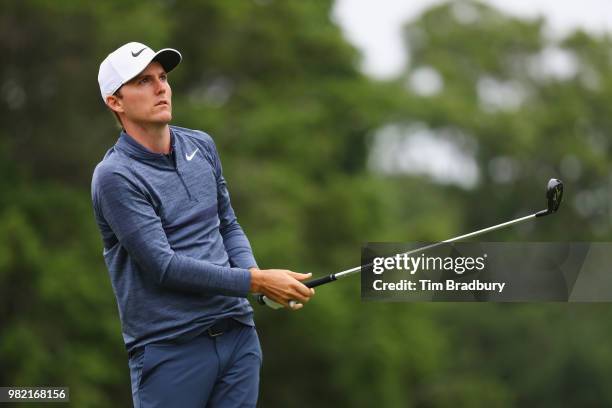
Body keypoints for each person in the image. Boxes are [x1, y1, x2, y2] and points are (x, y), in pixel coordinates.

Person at [91, 42, 315, 408]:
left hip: (238, 337)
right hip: (171, 350)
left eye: (162, 78)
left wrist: (254, 275)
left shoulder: (202, 145)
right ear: (115, 102)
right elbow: (163, 266)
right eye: (144, 81)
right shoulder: (115, 176)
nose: (161, 88)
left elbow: (227, 224)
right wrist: (257, 281)